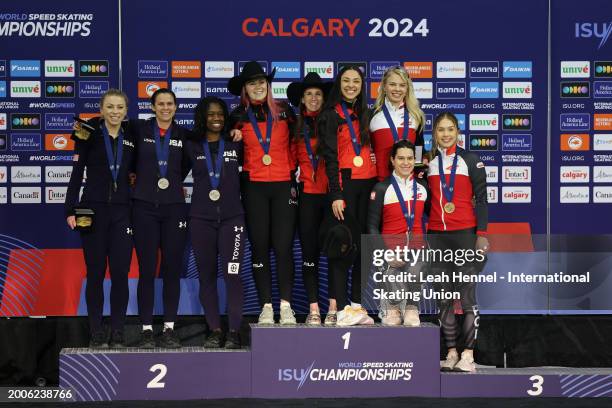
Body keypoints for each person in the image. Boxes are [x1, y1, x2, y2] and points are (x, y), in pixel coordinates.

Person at [227, 61, 298, 325]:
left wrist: (293, 169)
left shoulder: (285, 112)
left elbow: (298, 142)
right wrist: (230, 135)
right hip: (253, 186)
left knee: (283, 248)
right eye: (252, 83)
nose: (257, 87)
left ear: (268, 85)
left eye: (261, 82)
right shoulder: (236, 116)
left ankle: (287, 306)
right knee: (259, 247)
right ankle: (266, 305)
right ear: (244, 89)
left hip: (282, 186)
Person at [65, 89, 135, 348]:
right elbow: (76, 171)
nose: (115, 112)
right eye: (110, 107)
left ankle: (117, 330)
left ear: (126, 111)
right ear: (101, 109)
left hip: (122, 212)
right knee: (94, 273)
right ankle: (96, 330)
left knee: (120, 273)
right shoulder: (87, 131)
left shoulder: (133, 134)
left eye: (120, 107)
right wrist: (69, 209)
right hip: (89, 211)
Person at [427, 112, 489, 372]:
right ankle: (451, 352)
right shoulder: (428, 164)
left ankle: (468, 355)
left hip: (465, 235)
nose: (445, 134)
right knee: (443, 297)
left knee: (466, 296)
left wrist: (482, 234)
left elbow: (483, 200)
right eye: (440, 130)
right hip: (436, 235)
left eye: (450, 129)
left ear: (458, 132)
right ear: (435, 134)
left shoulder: (471, 160)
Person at [131, 88, 191, 348]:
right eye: (160, 104)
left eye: (170, 104)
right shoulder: (139, 131)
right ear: (152, 107)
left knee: (171, 270)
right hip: (143, 206)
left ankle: (168, 328)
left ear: (176, 108)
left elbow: (185, 167)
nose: (165, 108)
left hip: (174, 208)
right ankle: (146, 329)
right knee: (146, 269)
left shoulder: (185, 135)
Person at [318, 65, 377, 326]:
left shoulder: (366, 113)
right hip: (346, 187)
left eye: (356, 81)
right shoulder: (330, 115)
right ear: (339, 84)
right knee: (343, 246)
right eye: (346, 81)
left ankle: (356, 305)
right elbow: (329, 157)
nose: (351, 85)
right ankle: (341, 308)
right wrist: (336, 194)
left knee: (363, 248)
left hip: (369, 186)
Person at [186, 97, 245, 348]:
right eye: (210, 114)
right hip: (201, 220)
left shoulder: (235, 143)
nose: (216, 118)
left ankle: (233, 331)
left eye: (220, 114)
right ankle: (214, 330)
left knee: (233, 276)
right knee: (207, 277)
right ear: (202, 117)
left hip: (233, 220)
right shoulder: (191, 146)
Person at [287, 72, 337, 325]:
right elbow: (289, 160)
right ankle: (314, 308)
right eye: (309, 94)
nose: (314, 98)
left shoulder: (334, 123)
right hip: (307, 197)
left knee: (334, 254)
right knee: (310, 255)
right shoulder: (294, 126)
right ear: (302, 99)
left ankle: (334, 309)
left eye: (318, 93)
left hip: (331, 198)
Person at [367, 140, 430, 326]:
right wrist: (386, 255)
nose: (406, 163)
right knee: (392, 321)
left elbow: (433, 216)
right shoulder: (381, 188)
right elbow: (371, 226)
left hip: (416, 251)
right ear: (392, 160)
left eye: (410, 158)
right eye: (401, 158)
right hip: (390, 251)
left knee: (416, 270)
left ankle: (412, 306)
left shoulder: (423, 187)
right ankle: (391, 306)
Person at [370, 66, 426, 181]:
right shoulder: (372, 115)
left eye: (402, 85)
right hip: (379, 182)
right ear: (384, 87)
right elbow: (366, 146)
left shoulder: (416, 115)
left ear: (407, 89)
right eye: (392, 84)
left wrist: (418, 170)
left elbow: (419, 148)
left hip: (409, 183)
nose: (397, 89)